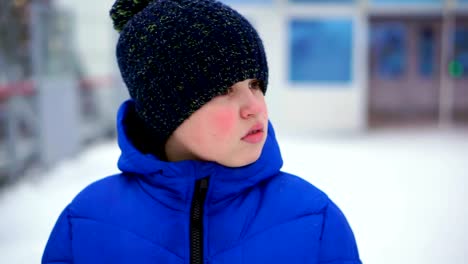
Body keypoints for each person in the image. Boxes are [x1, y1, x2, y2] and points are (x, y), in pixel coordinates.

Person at [42, 0, 361, 263]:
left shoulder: (314, 219)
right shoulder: (86, 222)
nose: (254, 106)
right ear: (164, 109)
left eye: (255, 85)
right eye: (224, 89)